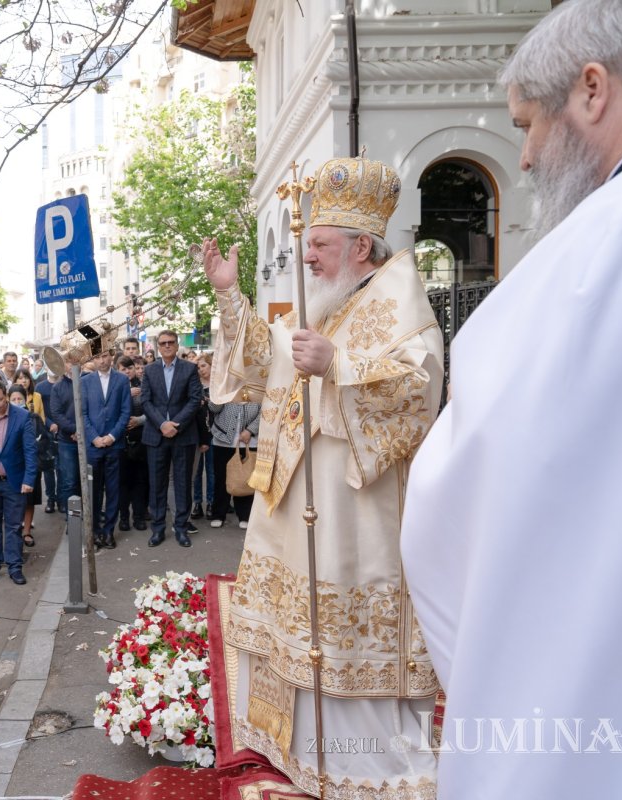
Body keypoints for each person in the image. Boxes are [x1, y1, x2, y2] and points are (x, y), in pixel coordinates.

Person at [400, 3, 622, 796]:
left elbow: (457, 495)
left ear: (591, 90)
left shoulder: (596, 250)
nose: (524, 158)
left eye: (528, 123)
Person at [202, 153, 444, 797]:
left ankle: (360, 761)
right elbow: (262, 361)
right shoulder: (328, 304)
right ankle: (296, 745)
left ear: (361, 246)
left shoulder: (399, 302)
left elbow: (419, 390)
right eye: (307, 245)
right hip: (295, 501)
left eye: (320, 245)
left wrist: (339, 364)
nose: (307, 258)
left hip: (353, 512)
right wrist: (229, 291)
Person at [140, 330, 203, 547]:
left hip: (182, 434)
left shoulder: (189, 368)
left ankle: (181, 528)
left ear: (177, 345)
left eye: (171, 342)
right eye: (163, 343)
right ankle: (158, 529)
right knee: (157, 484)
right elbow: (146, 401)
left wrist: (175, 424)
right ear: (158, 346)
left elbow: (195, 400)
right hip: (156, 435)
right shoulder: (149, 370)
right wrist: (162, 424)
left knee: (183, 483)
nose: (167, 346)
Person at [0, 379, 37, 585]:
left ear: (6, 395)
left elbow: (30, 450)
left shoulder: (22, 417)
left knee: (13, 526)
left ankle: (14, 566)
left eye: (0, 399)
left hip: (15, 480)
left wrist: (29, 479)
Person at [80, 348, 131, 550]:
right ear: (93, 359)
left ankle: (109, 531)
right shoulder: (85, 381)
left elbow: (126, 411)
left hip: (114, 444)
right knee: (93, 492)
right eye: (98, 357)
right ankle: (93, 532)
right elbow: (82, 413)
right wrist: (94, 438)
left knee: (113, 490)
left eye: (105, 356)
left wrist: (111, 436)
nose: (102, 360)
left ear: (111, 357)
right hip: (94, 446)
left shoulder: (121, 380)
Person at [206, 393, 259, 529]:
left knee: (244, 479)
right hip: (222, 440)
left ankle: (244, 515)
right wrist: (221, 393)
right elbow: (213, 408)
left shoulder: (257, 385)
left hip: (249, 442)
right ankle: (218, 514)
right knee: (221, 479)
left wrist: (250, 430)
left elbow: (265, 412)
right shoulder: (226, 385)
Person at [7, 385, 46, 548]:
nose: (17, 402)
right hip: (12, 467)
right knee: (13, 502)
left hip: (31, 465)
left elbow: (44, 439)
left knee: (29, 500)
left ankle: (27, 530)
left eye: (19, 399)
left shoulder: (33, 418)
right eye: (13, 399)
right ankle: (13, 532)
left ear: (25, 399)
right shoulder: (5, 419)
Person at [115, 355, 148, 531]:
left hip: (140, 438)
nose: (127, 371)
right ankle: (124, 517)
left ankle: (139, 516)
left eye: (130, 368)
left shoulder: (144, 385)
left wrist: (140, 420)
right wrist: (127, 394)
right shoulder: (114, 387)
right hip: (120, 440)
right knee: (122, 482)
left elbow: (152, 409)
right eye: (123, 368)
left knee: (139, 480)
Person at [49, 369, 80, 514]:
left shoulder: (87, 380)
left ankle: (90, 516)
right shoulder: (58, 387)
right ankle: (72, 519)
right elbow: (57, 414)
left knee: (90, 480)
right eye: (68, 360)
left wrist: (83, 431)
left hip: (89, 439)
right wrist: (75, 430)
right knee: (70, 482)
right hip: (67, 441)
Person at [190, 353, 214, 519]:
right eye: (198, 367)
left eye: (204, 366)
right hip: (198, 432)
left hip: (216, 432)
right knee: (196, 471)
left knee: (212, 471)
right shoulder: (195, 385)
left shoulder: (219, 385)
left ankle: (211, 502)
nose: (201, 370)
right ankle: (197, 503)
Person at [33, 369, 57, 512]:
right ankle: (51, 499)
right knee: (47, 468)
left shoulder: (65, 384)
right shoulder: (40, 387)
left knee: (61, 470)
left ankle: (60, 499)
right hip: (44, 433)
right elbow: (40, 413)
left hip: (62, 431)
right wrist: (49, 424)